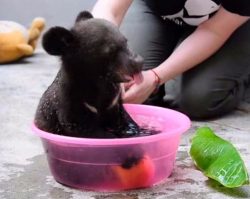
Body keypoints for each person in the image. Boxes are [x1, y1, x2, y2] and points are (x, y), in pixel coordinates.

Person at [91, 0, 250, 119]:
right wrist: (108, 60)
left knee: (194, 99)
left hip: (226, 22)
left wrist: (156, 76)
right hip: (157, 12)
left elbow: (214, 31)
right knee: (130, 86)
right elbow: (110, 8)